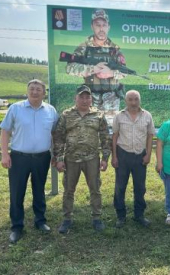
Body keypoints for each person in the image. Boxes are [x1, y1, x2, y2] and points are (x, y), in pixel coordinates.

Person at [0, 79, 58, 244]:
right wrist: (5, 154)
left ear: (44, 92)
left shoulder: (51, 110)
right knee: (17, 192)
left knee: (39, 190)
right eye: (31, 89)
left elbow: (54, 134)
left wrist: (55, 154)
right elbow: (5, 131)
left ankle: (40, 221)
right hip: (19, 158)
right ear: (27, 91)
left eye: (38, 89)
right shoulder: (15, 108)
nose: (34, 92)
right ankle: (17, 227)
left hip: (42, 157)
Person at [53, 85, 111, 233]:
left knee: (95, 189)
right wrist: (59, 158)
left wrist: (105, 158)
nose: (85, 100)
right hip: (71, 159)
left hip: (92, 159)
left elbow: (105, 137)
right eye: (81, 97)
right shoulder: (66, 115)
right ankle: (67, 219)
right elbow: (58, 137)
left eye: (87, 97)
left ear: (91, 99)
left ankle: (97, 217)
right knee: (68, 190)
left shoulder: (98, 115)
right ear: (76, 98)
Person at [65, 8, 127, 121]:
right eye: (98, 25)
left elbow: (124, 71)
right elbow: (69, 68)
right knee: (91, 132)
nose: (101, 28)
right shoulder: (84, 47)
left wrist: (111, 73)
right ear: (92, 26)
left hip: (111, 101)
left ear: (109, 27)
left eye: (104, 25)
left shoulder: (115, 48)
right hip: (90, 100)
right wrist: (92, 69)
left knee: (110, 133)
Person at [111, 90, 155, 228]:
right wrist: (114, 156)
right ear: (126, 101)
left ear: (139, 100)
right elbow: (114, 137)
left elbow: (150, 136)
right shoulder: (119, 116)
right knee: (120, 187)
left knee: (140, 187)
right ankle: (121, 216)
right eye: (130, 99)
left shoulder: (147, 115)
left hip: (140, 156)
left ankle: (139, 215)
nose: (133, 102)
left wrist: (148, 154)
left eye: (136, 99)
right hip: (123, 154)